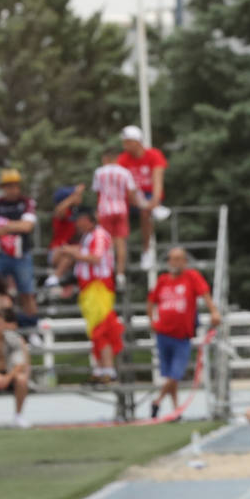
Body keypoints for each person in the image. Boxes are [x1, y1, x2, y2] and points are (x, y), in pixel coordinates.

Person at [146, 247, 221, 420]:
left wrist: (214, 311)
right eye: (172, 259)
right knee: (171, 376)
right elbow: (150, 301)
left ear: (185, 261)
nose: (175, 262)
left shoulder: (191, 276)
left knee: (176, 373)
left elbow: (205, 294)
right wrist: (152, 321)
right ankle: (176, 409)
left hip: (182, 335)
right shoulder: (163, 280)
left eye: (179, 259)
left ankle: (157, 401)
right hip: (163, 334)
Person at [62, 207, 124, 383]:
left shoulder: (99, 235)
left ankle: (108, 369)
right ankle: (101, 368)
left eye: (79, 220)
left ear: (87, 220)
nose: (76, 224)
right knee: (96, 330)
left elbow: (95, 258)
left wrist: (73, 253)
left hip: (99, 286)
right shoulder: (87, 236)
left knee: (102, 329)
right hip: (89, 288)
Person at [0, 169, 39, 329]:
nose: (12, 189)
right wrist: (16, 225)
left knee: (27, 293)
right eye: (8, 186)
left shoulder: (26, 202)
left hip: (21, 255)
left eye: (14, 185)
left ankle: (32, 328)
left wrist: (2, 224)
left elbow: (27, 227)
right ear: (3, 187)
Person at [117, 125, 168, 270]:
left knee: (145, 212)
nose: (124, 145)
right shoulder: (123, 159)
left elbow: (157, 179)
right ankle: (118, 254)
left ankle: (146, 251)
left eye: (127, 142)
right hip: (131, 196)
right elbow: (123, 185)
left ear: (137, 142)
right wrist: (136, 200)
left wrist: (155, 200)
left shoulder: (154, 155)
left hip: (149, 195)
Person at [92, 148, 141, 278]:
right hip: (121, 209)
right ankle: (120, 273)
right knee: (121, 243)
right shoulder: (125, 172)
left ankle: (107, 271)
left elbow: (98, 193)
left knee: (106, 242)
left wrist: (98, 210)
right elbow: (130, 192)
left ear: (105, 159)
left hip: (105, 210)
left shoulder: (99, 172)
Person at [46, 185, 85, 294]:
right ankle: (55, 277)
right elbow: (59, 209)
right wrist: (74, 196)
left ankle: (63, 280)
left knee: (78, 252)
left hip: (73, 252)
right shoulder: (63, 212)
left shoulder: (75, 213)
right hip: (58, 251)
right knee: (71, 253)